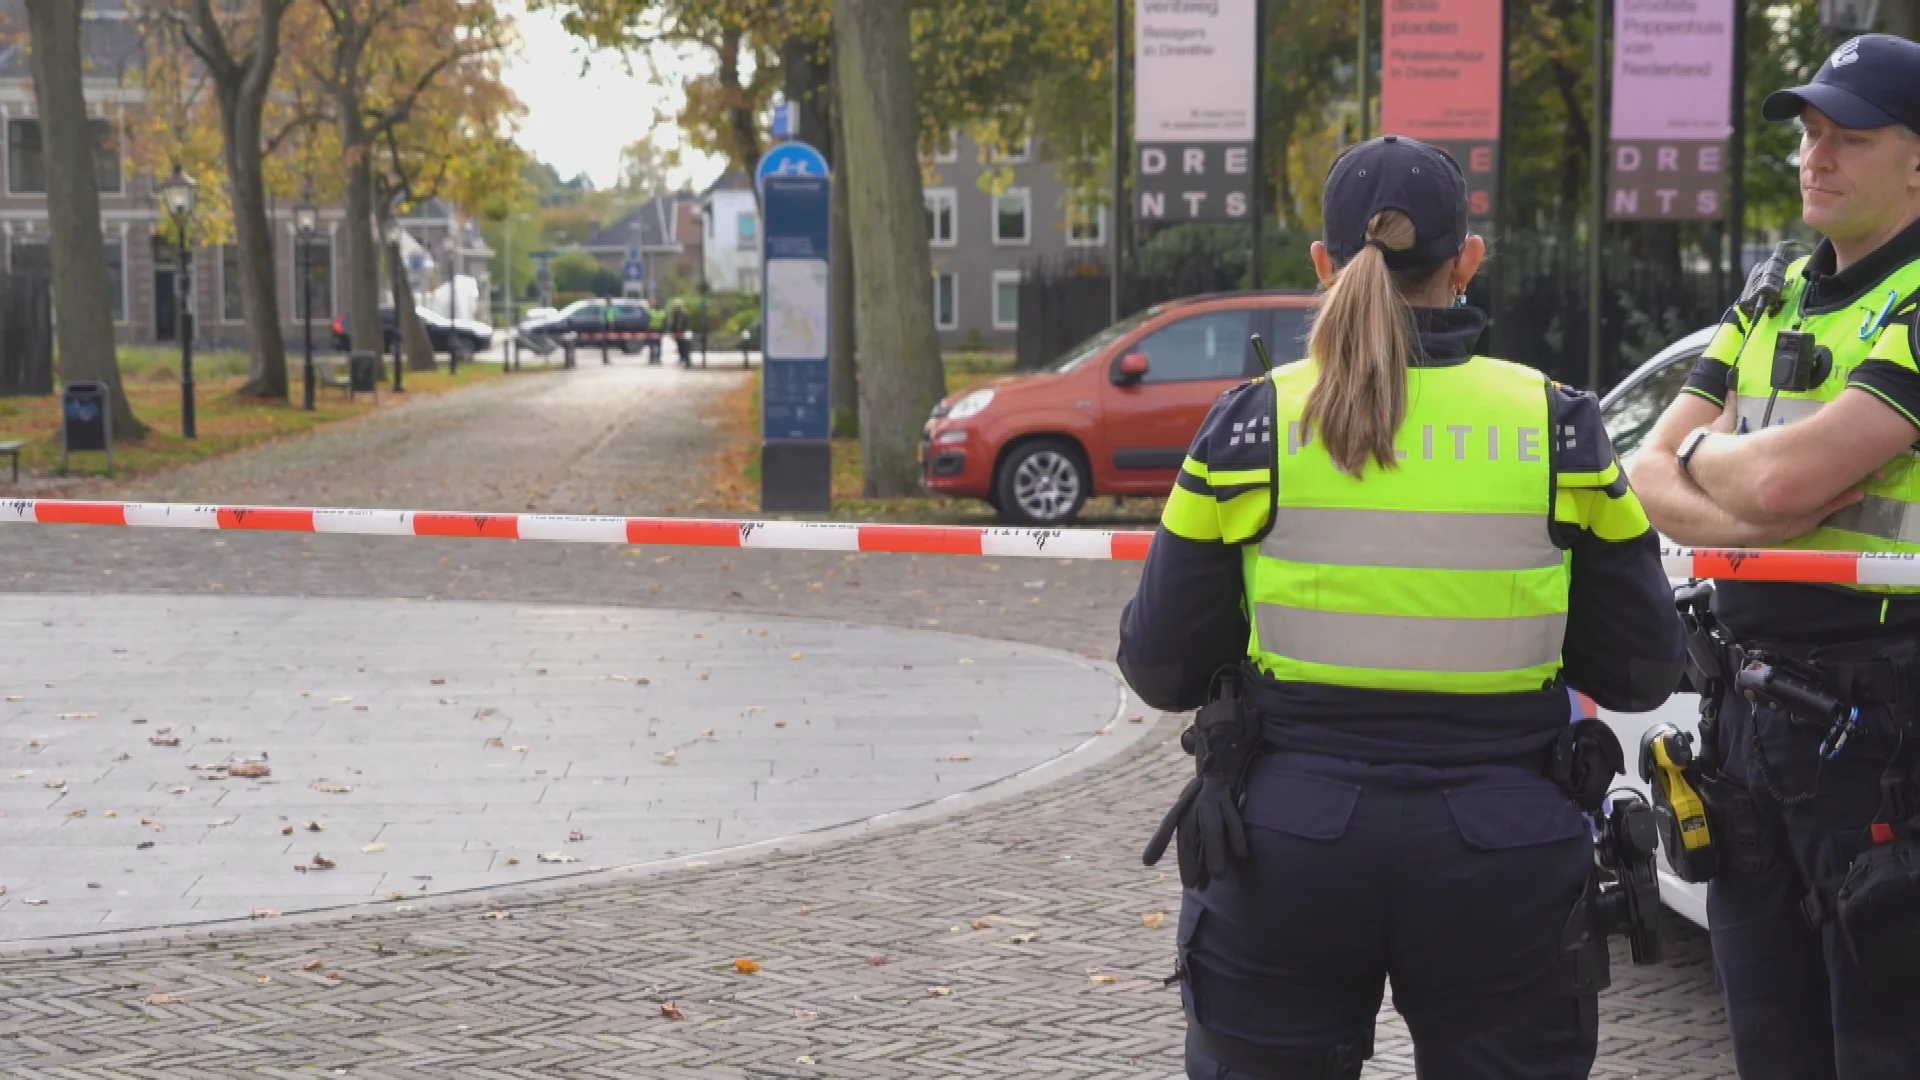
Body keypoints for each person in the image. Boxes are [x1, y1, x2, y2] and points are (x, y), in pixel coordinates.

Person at [1118, 135, 1686, 1079]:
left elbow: (1159, 665)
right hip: (1504, 851)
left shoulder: (1252, 425)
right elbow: (1643, 668)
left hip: (1288, 846)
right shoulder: (1559, 428)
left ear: (1322, 263)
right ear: (1468, 260)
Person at [1624, 33, 1920, 1080]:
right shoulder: (1772, 290)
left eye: (1851, 137)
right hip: (1746, 722)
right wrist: (1744, 514)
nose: (1816, 156)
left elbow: (1792, 478)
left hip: (1878, 732)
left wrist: (1710, 461)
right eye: (1809, 134)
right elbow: (1643, 469)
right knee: (1769, 1040)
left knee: (1880, 1041)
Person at [669, 299, 693, 367]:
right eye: (676, 306)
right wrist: (672, 331)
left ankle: (686, 360)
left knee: (684, 346)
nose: (677, 307)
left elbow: (687, 323)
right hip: (677, 332)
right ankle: (682, 358)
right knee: (679, 346)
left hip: (683, 332)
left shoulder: (685, 313)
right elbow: (673, 323)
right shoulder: (674, 313)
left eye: (678, 306)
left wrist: (685, 331)